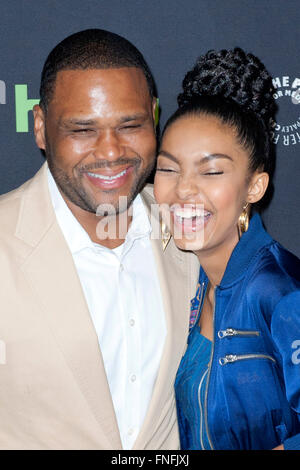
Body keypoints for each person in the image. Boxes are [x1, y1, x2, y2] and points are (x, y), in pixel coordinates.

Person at [0, 29, 199, 450]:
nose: (110, 152)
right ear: (40, 126)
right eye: (83, 130)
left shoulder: (194, 228)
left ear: (154, 114)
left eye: (130, 124)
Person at [154, 47, 300, 450]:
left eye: (212, 171)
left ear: (255, 186)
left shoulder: (282, 293)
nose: (183, 189)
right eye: (168, 168)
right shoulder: (201, 279)